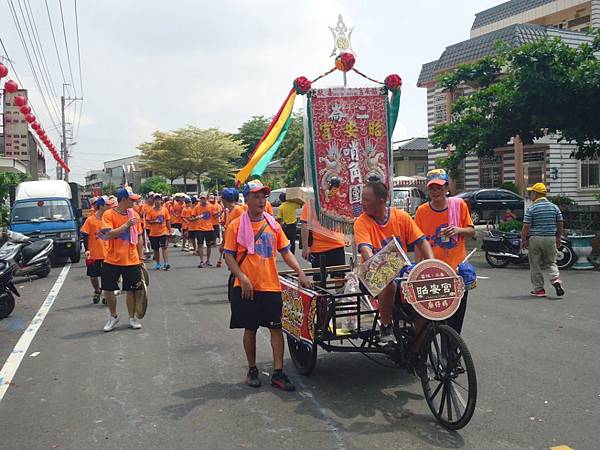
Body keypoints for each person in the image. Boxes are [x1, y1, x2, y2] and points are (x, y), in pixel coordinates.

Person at [224, 180, 311, 391]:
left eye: (264, 196)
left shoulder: (273, 224)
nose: (262, 200)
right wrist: (242, 278)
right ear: (247, 199)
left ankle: (278, 373)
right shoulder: (236, 226)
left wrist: (300, 272)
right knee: (250, 329)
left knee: (276, 328)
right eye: (257, 196)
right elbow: (229, 256)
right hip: (247, 287)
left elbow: (285, 251)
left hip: (271, 285)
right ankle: (252, 369)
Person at [354, 181, 434, 342]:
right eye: (362, 199)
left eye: (366, 200)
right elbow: (366, 251)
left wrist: (432, 264)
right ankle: (385, 326)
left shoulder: (401, 217)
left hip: (400, 271)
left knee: (423, 313)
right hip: (370, 273)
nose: (362, 203)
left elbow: (421, 241)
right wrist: (377, 265)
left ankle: (416, 355)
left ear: (381, 201)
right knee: (389, 282)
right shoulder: (361, 222)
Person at [414, 169, 475, 334]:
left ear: (447, 188)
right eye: (432, 188)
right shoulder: (422, 211)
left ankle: (452, 354)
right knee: (436, 317)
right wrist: (417, 269)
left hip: (456, 270)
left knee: (457, 317)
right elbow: (419, 242)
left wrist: (457, 230)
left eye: (439, 188)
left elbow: (471, 231)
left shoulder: (458, 205)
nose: (435, 192)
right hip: (433, 271)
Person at [100, 187, 145, 332]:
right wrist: (126, 225)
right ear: (124, 199)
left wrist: (141, 257)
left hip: (131, 259)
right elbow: (107, 234)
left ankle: (132, 318)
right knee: (108, 289)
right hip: (112, 258)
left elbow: (139, 237)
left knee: (132, 290)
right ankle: (113, 316)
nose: (135, 202)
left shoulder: (135, 215)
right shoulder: (108, 214)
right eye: (132, 199)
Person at [521, 183, 565, 297]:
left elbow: (526, 226)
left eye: (531, 193)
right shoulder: (554, 207)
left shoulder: (532, 208)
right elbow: (560, 223)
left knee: (535, 264)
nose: (531, 195)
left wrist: (524, 240)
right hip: (550, 238)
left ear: (536, 193)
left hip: (535, 239)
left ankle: (539, 289)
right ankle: (555, 279)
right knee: (551, 261)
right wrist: (558, 237)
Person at [300, 201, 346, 285]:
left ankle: (336, 297)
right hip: (320, 247)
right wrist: (305, 247)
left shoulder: (337, 200)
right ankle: (335, 297)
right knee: (331, 278)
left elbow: (304, 225)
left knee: (335, 277)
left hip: (334, 245)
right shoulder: (311, 203)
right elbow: (304, 225)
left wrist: (305, 247)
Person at [81, 196, 114, 304]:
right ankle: (97, 290)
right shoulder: (90, 220)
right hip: (94, 253)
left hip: (107, 253)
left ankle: (106, 294)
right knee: (93, 275)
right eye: (107, 205)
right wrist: (87, 249)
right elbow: (85, 235)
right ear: (101, 206)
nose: (109, 206)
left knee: (106, 275)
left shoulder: (109, 220)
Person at [145, 193, 172, 270]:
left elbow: (168, 221)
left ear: (161, 201)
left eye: (159, 200)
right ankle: (158, 263)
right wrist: (155, 222)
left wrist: (170, 231)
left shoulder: (165, 210)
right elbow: (148, 221)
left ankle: (166, 263)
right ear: (154, 201)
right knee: (156, 249)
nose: (157, 201)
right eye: (156, 200)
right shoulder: (150, 211)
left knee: (164, 247)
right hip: (153, 233)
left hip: (163, 232)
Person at [191, 192, 217, 267]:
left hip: (209, 228)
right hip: (199, 228)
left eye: (204, 199)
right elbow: (192, 218)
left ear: (207, 199)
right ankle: (201, 261)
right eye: (201, 199)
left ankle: (208, 260)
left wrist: (220, 213)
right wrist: (197, 217)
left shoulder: (211, 206)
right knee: (200, 244)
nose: (203, 200)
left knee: (209, 245)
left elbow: (215, 216)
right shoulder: (197, 207)